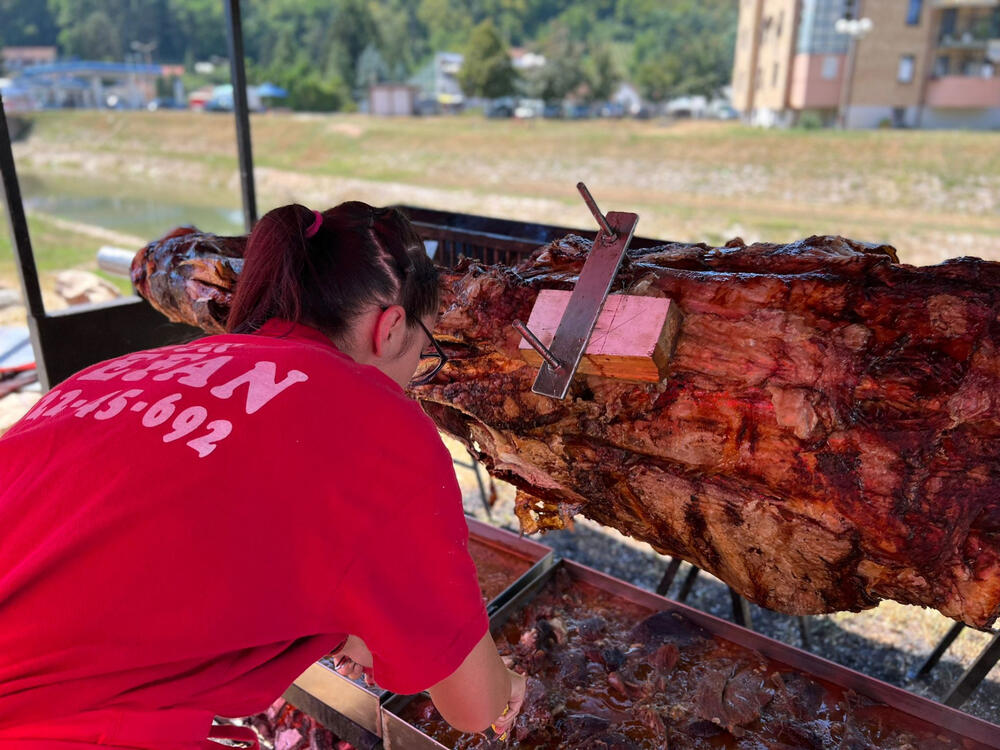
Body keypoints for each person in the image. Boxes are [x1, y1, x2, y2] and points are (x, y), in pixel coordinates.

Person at [0, 202, 526, 749]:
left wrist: (346, 628)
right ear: (390, 328)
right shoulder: (372, 419)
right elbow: (472, 708)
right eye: (425, 353)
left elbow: (150, 554)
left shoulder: (107, 376)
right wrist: (503, 682)